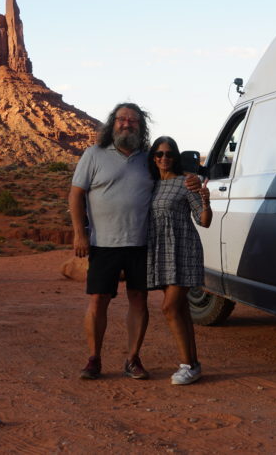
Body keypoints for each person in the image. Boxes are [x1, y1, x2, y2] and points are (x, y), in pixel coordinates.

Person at [69, 103, 157, 381]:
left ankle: (133, 358)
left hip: (140, 242)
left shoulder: (148, 158)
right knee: (98, 299)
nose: (127, 124)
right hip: (103, 243)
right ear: (112, 124)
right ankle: (94, 358)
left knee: (139, 299)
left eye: (133, 120)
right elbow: (75, 195)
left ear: (140, 127)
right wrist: (80, 233)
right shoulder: (93, 155)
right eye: (122, 119)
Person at [146, 136, 212, 385]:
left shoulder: (186, 183)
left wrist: (205, 199)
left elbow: (204, 221)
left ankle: (187, 365)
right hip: (161, 252)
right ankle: (193, 365)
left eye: (169, 154)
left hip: (183, 250)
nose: (164, 158)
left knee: (169, 307)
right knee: (181, 309)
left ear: (175, 157)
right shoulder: (149, 184)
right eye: (159, 154)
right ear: (153, 157)